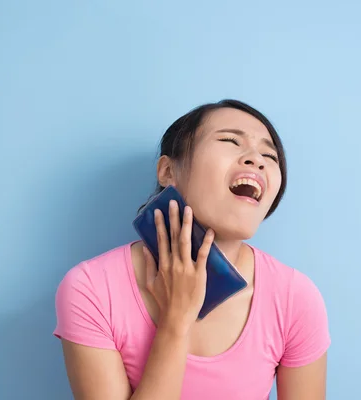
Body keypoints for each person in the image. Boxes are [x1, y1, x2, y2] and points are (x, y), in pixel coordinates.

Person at [53, 99, 331, 400]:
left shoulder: (295, 298)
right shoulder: (91, 289)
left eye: (269, 154)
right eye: (230, 140)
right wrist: (176, 320)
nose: (257, 159)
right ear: (168, 171)